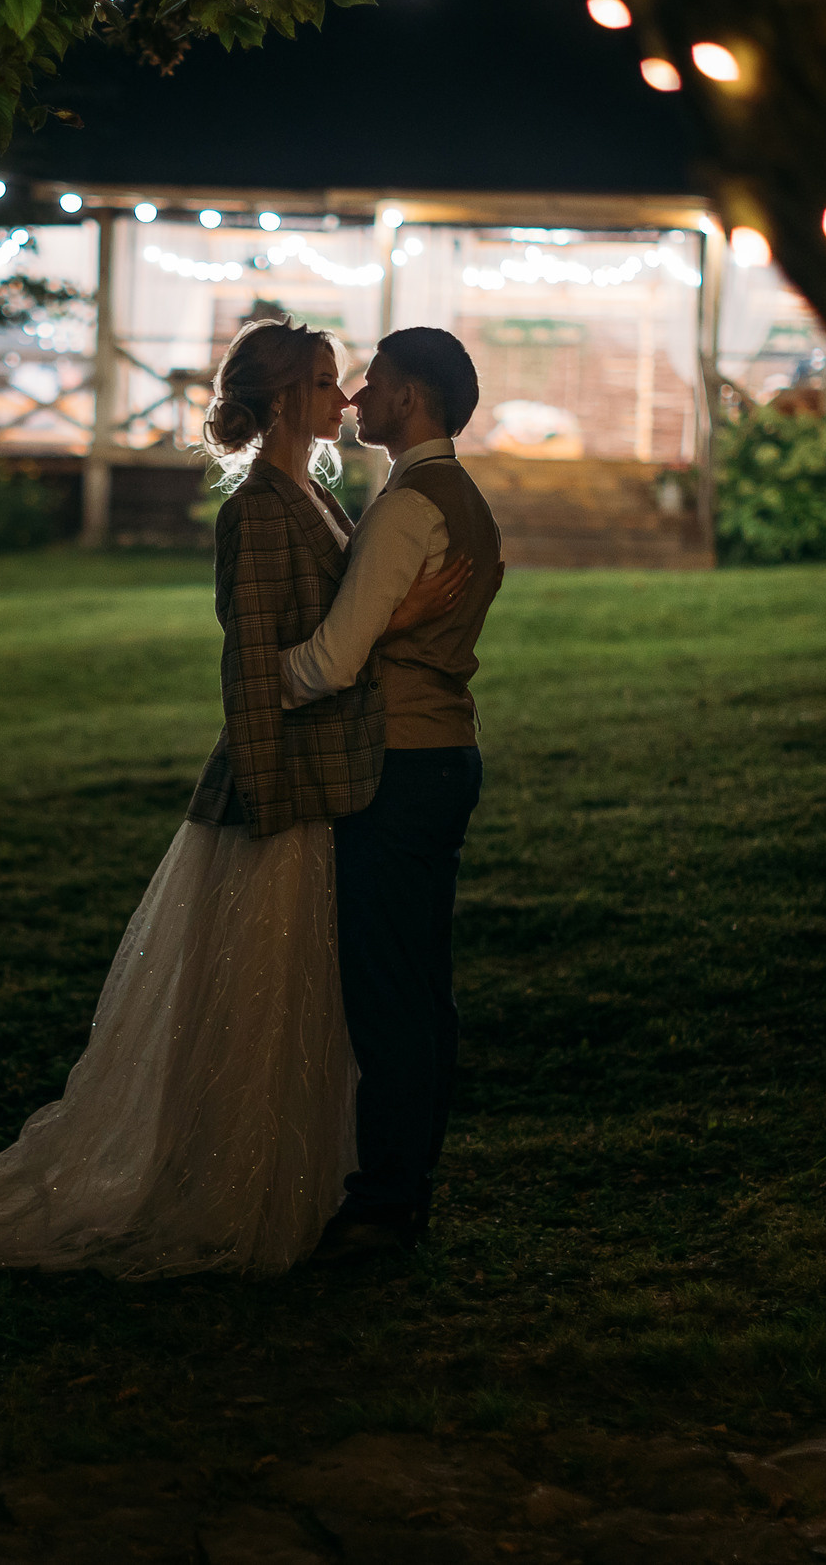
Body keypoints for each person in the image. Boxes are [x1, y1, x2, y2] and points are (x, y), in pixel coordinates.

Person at [0, 320, 458, 1279]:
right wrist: (270, 801)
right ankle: (232, 1191)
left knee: (302, 1012)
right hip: (280, 795)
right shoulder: (260, 509)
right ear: (288, 400)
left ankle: (304, 1187)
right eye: (328, 382)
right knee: (252, 1015)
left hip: (324, 790)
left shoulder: (315, 494)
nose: (344, 398)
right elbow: (251, 671)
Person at [287, 327, 502, 1264]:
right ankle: (402, 1190)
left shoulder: (415, 504)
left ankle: (383, 1204)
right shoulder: (455, 497)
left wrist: (270, 675)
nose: (358, 398)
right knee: (418, 989)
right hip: (440, 753)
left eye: (372, 382)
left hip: (403, 764)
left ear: (410, 396)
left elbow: (333, 659)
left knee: (389, 996)